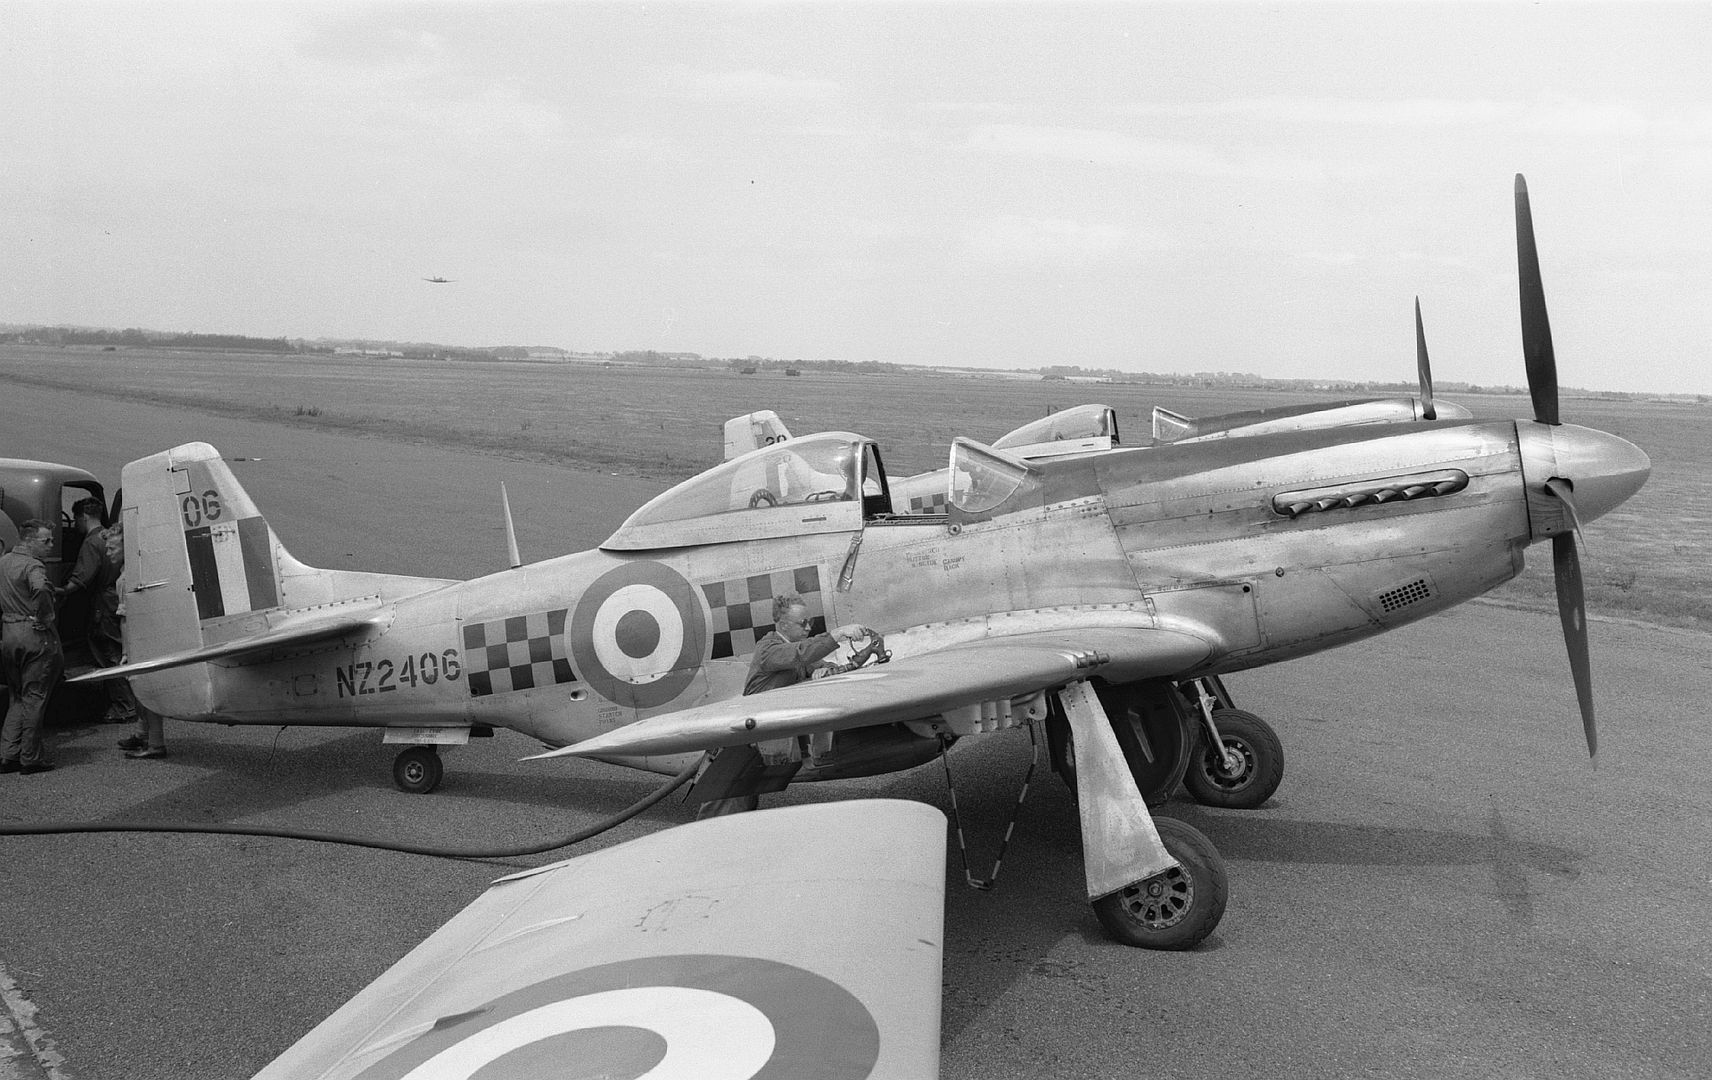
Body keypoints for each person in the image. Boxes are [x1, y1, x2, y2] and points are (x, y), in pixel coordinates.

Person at [99, 521, 167, 759]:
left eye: (112, 549)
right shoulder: (130, 572)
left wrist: (127, 651)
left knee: (143, 690)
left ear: (127, 548)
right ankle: (143, 734)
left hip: (138, 642)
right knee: (140, 691)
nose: (108, 554)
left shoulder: (126, 579)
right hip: (145, 639)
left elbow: (127, 620)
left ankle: (155, 743)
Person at [1, 519, 62, 773]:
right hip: (32, 634)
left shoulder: (3, 562)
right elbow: (40, 589)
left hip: (9, 633)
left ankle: (7, 754)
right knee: (35, 696)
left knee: (17, 696)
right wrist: (46, 617)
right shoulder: (33, 565)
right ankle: (31, 758)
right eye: (45, 540)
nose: (50, 545)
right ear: (28, 540)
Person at [743, 594, 869, 696]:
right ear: (784, 625)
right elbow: (800, 654)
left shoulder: (794, 647)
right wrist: (837, 634)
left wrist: (825, 669)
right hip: (758, 716)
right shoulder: (768, 650)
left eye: (810, 622)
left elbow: (819, 662)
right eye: (803, 623)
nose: (808, 628)